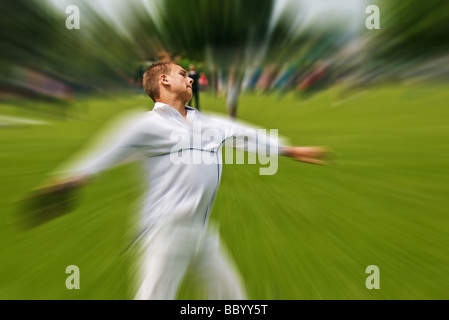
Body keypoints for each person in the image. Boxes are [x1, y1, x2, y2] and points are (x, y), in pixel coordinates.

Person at [37, 60, 331, 300]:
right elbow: (108, 150)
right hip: (167, 231)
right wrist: (73, 179)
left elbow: (246, 134)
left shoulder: (206, 123)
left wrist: (290, 150)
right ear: (163, 81)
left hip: (202, 233)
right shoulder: (145, 125)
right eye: (182, 74)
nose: (190, 79)